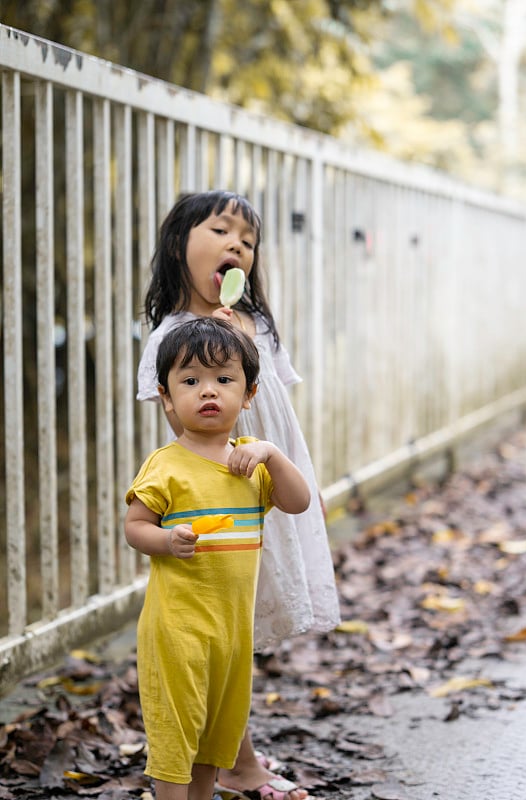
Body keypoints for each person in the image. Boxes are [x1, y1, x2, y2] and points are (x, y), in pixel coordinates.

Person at [137, 190, 340, 800]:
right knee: (225, 617)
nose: (236, 246)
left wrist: (299, 476)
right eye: (221, 231)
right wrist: (212, 353)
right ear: (180, 245)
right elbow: (186, 426)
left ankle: (232, 757)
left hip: (274, 482)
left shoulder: (259, 325)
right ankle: (236, 762)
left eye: (246, 241)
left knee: (243, 622)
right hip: (223, 494)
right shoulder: (171, 337)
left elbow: (281, 412)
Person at [125, 317, 311, 800]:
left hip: (231, 634)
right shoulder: (166, 465)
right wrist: (165, 541)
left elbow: (298, 502)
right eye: (190, 382)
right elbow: (135, 527)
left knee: (215, 734)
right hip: (178, 630)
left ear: (248, 394)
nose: (208, 391)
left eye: (223, 380)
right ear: (167, 397)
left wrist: (271, 452)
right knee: (177, 733)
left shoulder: (250, 461)